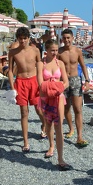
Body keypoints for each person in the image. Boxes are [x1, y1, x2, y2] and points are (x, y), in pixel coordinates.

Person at [8, 27, 46, 152]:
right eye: (20, 39)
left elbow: (40, 66)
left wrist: (41, 83)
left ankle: (44, 125)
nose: (23, 41)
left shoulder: (35, 50)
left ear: (29, 38)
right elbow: (9, 70)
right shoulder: (13, 52)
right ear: (17, 39)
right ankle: (26, 141)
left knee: (38, 109)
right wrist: (13, 88)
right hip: (20, 82)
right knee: (24, 113)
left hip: (34, 81)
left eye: (25, 38)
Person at [37, 39, 72, 171]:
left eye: (57, 50)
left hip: (58, 97)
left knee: (59, 126)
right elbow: (40, 84)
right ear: (46, 50)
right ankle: (51, 146)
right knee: (48, 124)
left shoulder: (60, 63)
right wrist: (57, 85)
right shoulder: (41, 64)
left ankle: (61, 158)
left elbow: (66, 82)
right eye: (52, 50)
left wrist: (56, 87)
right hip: (46, 98)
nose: (55, 53)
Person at [58, 29, 89, 147]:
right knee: (66, 109)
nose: (66, 40)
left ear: (72, 38)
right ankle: (71, 129)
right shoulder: (59, 52)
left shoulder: (77, 51)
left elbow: (83, 65)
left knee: (78, 109)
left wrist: (87, 80)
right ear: (62, 39)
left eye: (68, 38)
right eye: (64, 38)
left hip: (76, 80)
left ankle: (79, 136)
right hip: (63, 81)